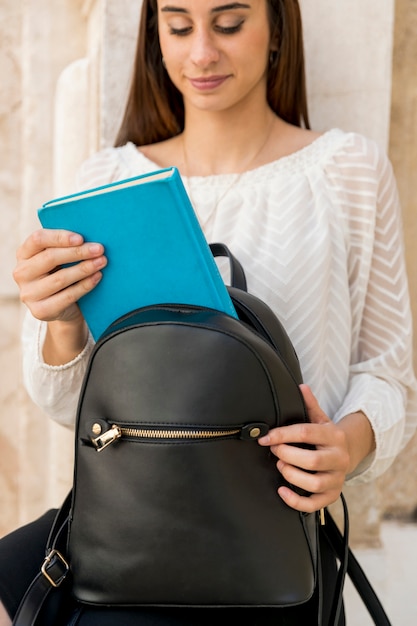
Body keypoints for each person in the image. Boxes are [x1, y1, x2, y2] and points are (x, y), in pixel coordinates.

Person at [2, 0, 417, 624]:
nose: (201, 53)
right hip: (130, 518)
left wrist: (346, 445)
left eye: (229, 24)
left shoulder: (347, 170)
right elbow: (75, 408)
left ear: (277, 30)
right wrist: (59, 321)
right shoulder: (109, 179)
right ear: (155, 38)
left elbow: (392, 377)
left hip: (269, 528)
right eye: (178, 26)